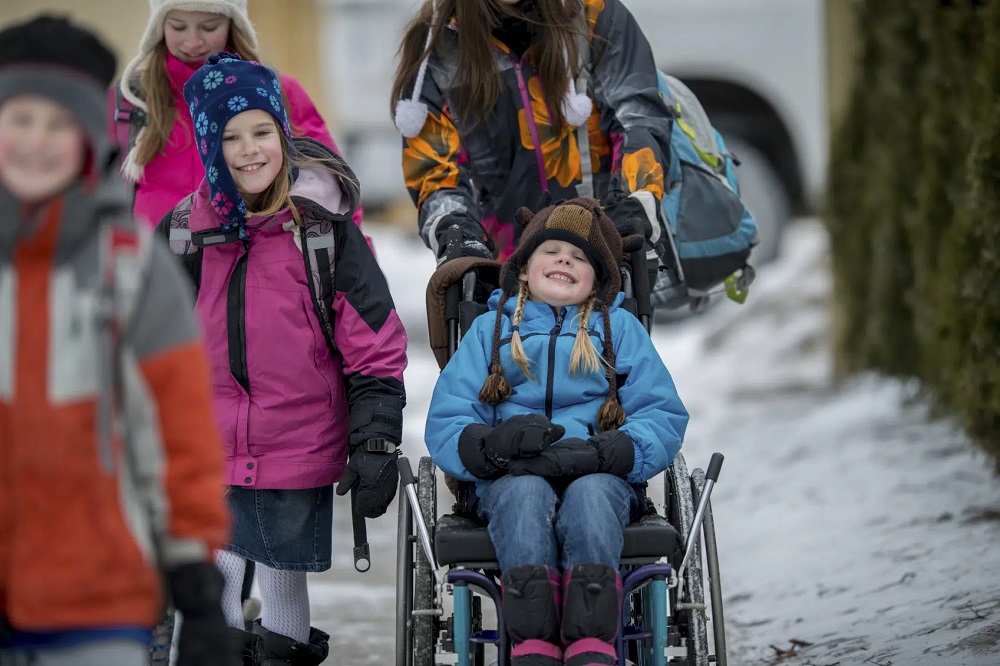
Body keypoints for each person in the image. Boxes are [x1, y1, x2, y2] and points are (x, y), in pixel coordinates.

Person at [157, 51, 408, 664]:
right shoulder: (184, 232)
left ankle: (283, 652)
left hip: (297, 435)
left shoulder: (322, 231)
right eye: (229, 136)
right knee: (215, 562)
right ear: (209, 147)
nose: (249, 150)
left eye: (262, 132)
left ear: (283, 134)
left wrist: (374, 440)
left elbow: (374, 341)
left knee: (279, 569)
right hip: (207, 437)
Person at [0, 15, 231, 666]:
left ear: (89, 140)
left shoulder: (132, 268)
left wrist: (192, 568)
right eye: (21, 120)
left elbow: (178, 428)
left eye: (58, 125)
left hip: (95, 593)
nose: (37, 143)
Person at [425, 197, 688, 665]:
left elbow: (662, 413)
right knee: (525, 496)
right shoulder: (490, 330)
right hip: (511, 475)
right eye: (552, 250)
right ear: (524, 269)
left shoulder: (620, 329)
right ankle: (534, 641)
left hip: (599, 472)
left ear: (597, 281)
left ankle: (591, 641)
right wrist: (491, 445)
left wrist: (615, 451)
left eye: (581, 256)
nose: (565, 258)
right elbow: (450, 416)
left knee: (590, 496)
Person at [392, 0, 672, 269]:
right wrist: (457, 234)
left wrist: (632, 206)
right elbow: (435, 174)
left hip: (602, 256)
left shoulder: (593, 14)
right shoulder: (435, 50)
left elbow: (638, 117)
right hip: (505, 276)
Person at [113, 0, 364, 232]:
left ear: (234, 23)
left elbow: (333, 190)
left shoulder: (277, 92)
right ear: (158, 26)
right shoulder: (131, 99)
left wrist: (354, 266)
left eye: (209, 27)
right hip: (155, 267)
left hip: (250, 271)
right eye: (178, 26)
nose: (192, 41)